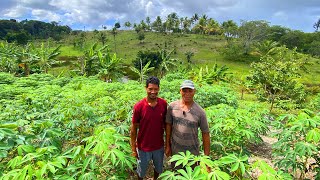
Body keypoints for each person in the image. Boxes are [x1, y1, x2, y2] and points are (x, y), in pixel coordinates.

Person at [165, 80, 210, 166]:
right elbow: (168, 126)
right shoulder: (172, 107)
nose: (187, 93)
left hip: (192, 155)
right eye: (184, 91)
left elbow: (206, 134)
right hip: (176, 153)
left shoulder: (200, 112)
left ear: (194, 92)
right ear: (180, 91)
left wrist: (206, 159)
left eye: (190, 91)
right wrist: (167, 145)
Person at [130, 76, 168, 180]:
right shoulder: (139, 106)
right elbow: (134, 129)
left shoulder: (163, 104)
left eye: (155, 89)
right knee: (141, 171)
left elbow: (166, 125)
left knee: (158, 168)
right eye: (150, 89)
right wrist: (133, 148)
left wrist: (167, 144)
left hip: (158, 146)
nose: (153, 92)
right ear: (146, 88)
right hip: (143, 147)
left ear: (159, 89)